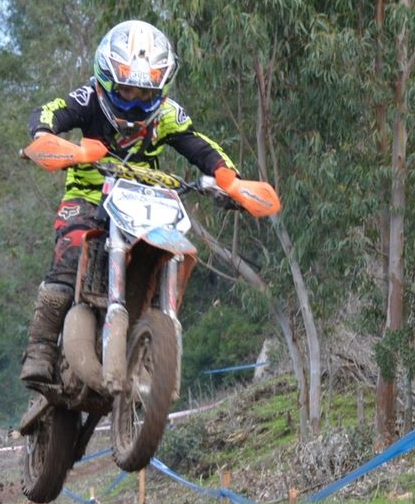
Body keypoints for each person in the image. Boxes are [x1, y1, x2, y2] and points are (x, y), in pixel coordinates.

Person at [18, 19, 277, 388]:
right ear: (106, 79)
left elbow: (199, 146)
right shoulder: (88, 98)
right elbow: (49, 114)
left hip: (143, 198)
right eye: (126, 90)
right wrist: (50, 141)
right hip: (88, 194)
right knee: (71, 250)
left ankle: (152, 326)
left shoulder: (168, 115)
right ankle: (40, 349)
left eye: (145, 94)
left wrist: (229, 180)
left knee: (170, 249)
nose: (136, 102)